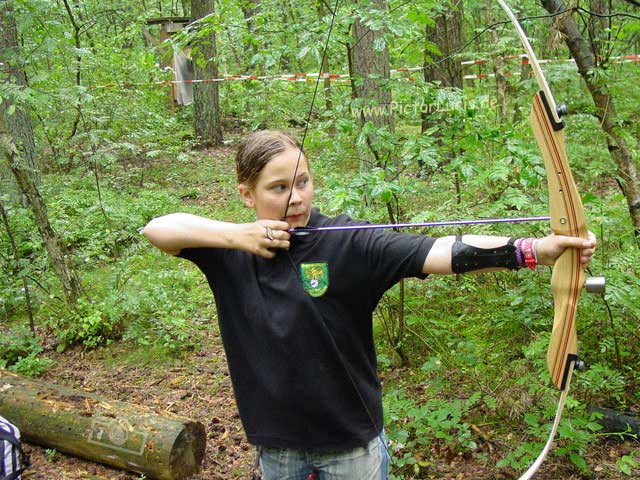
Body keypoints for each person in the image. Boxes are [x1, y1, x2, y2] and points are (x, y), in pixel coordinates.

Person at [143, 130, 596, 480]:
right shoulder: (227, 252)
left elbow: (440, 251)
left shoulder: (349, 242)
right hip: (277, 445)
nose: (296, 197)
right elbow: (158, 228)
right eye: (278, 188)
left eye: (302, 182)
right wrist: (236, 236)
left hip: (352, 444)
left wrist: (536, 249)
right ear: (248, 194)